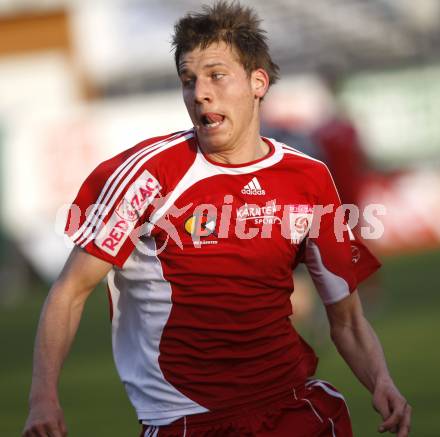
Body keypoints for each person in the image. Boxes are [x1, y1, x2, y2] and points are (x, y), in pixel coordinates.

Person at [23, 2, 411, 436]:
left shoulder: (309, 179)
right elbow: (70, 291)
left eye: (216, 75)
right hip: (187, 422)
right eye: (188, 80)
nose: (200, 92)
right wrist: (43, 398)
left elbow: (348, 319)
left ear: (257, 82)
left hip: (293, 409)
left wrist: (381, 382)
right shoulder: (145, 175)